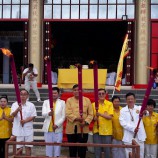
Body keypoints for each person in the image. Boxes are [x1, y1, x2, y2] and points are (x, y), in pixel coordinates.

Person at [65, 84, 93, 158]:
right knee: (72, 148)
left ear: (82, 91)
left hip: (83, 128)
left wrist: (85, 122)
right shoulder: (69, 100)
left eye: (78, 90)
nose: (76, 91)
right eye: (75, 90)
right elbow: (68, 113)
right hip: (71, 128)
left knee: (82, 149)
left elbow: (91, 114)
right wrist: (77, 119)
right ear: (72, 91)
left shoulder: (87, 100)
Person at [119, 92, 146, 158]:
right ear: (126, 100)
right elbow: (122, 122)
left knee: (140, 155)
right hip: (129, 136)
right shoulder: (123, 110)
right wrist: (133, 128)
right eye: (128, 99)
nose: (130, 100)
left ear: (135, 100)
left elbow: (146, 113)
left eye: (132, 99)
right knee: (129, 155)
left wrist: (145, 112)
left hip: (139, 135)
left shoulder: (139, 108)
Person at [11, 89, 37, 156]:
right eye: (21, 94)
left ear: (27, 96)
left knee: (28, 147)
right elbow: (13, 115)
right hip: (18, 130)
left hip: (28, 130)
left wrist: (25, 121)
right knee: (19, 148)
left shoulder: (31, 105)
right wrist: (17, 109)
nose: (23, 96)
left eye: (24, 94)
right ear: (19, 95)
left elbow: (33, 116)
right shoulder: (14, 104)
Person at [42, 87, 66, 157]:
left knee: (57, 146)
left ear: (58, 94)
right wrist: (48, 113)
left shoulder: (62, 103)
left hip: (57, 128)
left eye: (55, 93)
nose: (53, 94)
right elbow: (43, 114)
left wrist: (57, 125)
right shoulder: (46, 102)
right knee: (48, 146)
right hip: (48, 128)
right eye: (52, 93)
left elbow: (63, 116)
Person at [92, 88, 113, 158]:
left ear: (105, 94)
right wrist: (94, 118)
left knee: (107, 149)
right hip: (97, 129)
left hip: (107, 130)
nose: (101, 95)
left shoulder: (110, 104)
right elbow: (91, 117)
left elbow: (110, 117)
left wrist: (100, 114)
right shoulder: (93, 105)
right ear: (97, 95)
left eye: (103, 93)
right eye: (99, 94)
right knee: (97, 149)